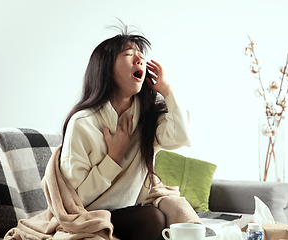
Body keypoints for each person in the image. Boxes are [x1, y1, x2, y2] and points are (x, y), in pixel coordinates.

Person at [59, 27, 191, 240]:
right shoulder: (83, 123)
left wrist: (166, 89)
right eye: (129, 55)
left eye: (141, 56)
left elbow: (182, 137)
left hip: (131, 212)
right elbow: (76, 200)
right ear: (106, 69)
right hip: (89, 218)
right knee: (153, 218)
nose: (139, 60)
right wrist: (113, 158)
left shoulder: (147, 117)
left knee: (163, 215)